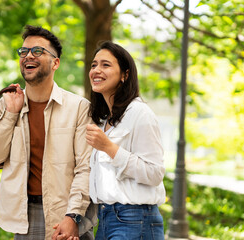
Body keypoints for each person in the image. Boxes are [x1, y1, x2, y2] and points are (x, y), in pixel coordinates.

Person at [0, 25, 97, 240]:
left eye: (37, 51)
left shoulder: (79, 107)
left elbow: (86, 167)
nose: (28, 56)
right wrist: (10, 114)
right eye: (23, 51)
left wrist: (74, 216)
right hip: (25, 215)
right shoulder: (8, 104)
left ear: (56, 63)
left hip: (67, 213)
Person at [86, 41, 166, 240]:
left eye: (106, 65)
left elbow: (155, 173)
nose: (96, 70)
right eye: (94, 64)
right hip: (105, 218)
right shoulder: (105, 120)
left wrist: (109, 148)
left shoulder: (140, 113)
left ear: (125, 74)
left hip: (134, 219)